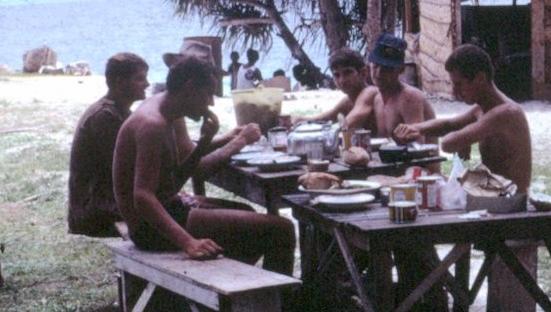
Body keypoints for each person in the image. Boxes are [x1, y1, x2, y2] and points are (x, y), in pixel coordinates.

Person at [113, 54, 294, 274]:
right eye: (208, 94)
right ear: (190, 88)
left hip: (168, 210)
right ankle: (277, 297)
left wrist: (204, 143)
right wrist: (188, 242)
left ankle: (236, 285)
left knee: (245, 212)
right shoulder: (153, 124)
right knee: (281, 229)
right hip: (149, 230)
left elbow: (175, 181)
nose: (211, 102)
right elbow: (142, 196)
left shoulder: (169, 110)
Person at [394, 43, 532, 192]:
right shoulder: (481, 109)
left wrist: (463, 139)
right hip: (494, 192)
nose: (454, 92)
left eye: (459, 84)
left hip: (511, 200)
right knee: (422, 181)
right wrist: (413, 128)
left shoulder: (506, 113)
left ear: (480, 78)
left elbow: (448, 143)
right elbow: (448, 125)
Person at [67, 52, 150, 237]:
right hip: (96, 212)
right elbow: (129, 170)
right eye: (140, 79)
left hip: (107, 204)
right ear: (120, 82)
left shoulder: (120, 112)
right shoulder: (105, 117)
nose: (147, 84)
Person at [346, 33, 435, 140]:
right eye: (376, 66)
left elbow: (418, 144)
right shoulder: (378, 99)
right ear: (369, 65)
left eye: (387, 69)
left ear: (401, 69)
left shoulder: (409, 97)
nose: (379, 73)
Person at [300, 47, 377, 128]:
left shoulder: (370, 92)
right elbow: (323, 119)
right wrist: (299, 120)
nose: (342, 80)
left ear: (363, 73)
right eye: (337, 75)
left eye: (347, 73)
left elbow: (346, 126)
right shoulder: (349, 100)